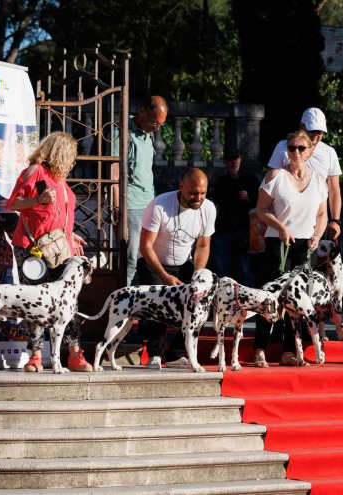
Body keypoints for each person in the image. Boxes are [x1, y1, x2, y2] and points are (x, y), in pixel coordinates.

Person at [7, 131, 92, 372]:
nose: (73, 161)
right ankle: (35, 356)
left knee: (68, 301)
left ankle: (74, 354)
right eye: (71, 155)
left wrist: (70, 235)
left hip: (59, 248)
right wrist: (38, 200)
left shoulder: (60, 179)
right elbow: (13, 203)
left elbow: (57, 215)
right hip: (31, 248)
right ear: (59, 153)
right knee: (34, 299)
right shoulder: (35, 172)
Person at [254, 130, 328, 367]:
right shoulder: (276, 176)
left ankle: (289, 350)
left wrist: (318, 235)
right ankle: (260, 349)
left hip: (306, 244)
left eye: (300, 148)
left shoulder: (318, 180)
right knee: (270, 295)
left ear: (310, 152)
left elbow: (322, 214)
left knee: (299, 300)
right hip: (279, 241)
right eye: (291, 148)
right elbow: (261, 209)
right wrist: (281, 227)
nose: (295, 152)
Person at [137, 168, 216, 369]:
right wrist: (164, 276)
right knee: (157, 304)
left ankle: (177, 354)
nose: (198, 198)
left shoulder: (208, 208)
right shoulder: (159, 205)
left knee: (199, 302)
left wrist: (197, 277)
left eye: (203, 193)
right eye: (193, 193)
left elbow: (203, 246)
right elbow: (145, 246)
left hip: (184, 262)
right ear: (181, 187)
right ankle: (155, 354)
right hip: (153, 261)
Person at [267, 108, 342, 239]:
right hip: (285, 222)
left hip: (317, 224)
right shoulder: (284, 146)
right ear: (301, 126)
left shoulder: (329, 152)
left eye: (320, 132)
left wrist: (335, 221)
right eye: (312, 131)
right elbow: (270, 186)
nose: (316, 135)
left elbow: (334, 190)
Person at [126, 96, 168, 285]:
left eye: (161, 124)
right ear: (142, 111)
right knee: (131, 258)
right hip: (131, 204)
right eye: (154, 122)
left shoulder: (148, 133)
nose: (157, 128)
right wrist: (118, 210)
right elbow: (114, 173)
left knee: (151, 255)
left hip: (150, 203)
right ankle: (123, 296)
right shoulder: (123, 132)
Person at [211, 148, 259, 287]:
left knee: (245, 269)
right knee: (222, 269)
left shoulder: (250, 179)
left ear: (240, 160)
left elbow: (261, 202)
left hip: (244, 230)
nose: (233, 162)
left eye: (235, 159)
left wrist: (248, 198)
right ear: (225, 162)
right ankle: (221, 294)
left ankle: (247, 295)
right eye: (230, 159)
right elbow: (216, 206)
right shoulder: (221, 181)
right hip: (223, 229)